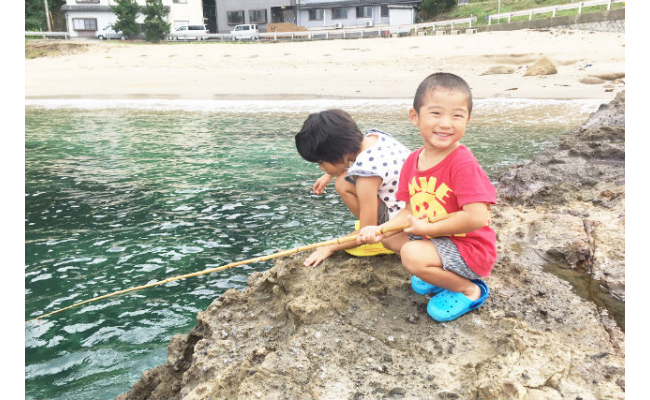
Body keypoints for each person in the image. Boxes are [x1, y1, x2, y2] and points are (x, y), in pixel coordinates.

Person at [357, 72, 496, 322]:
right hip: (439, 239)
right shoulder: (413, 160)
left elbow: (478, 217)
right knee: (390, 238)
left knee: (411, 254)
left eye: (457, 115)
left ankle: (469, 289)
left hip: (470, 249)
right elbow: (409, 210)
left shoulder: (462, 162)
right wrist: (380, 229)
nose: (446, 123)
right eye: (436, 113)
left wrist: (427, 226)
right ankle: (439, 272)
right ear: (415, 117)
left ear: (468, 120)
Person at [295, 109, 410, 267]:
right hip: (422, 206)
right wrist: (330, 173)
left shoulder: (365, 174)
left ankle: (388, 237)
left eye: (321, 162)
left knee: (343, 183)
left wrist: (330, 246)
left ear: (335, 153)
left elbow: (366, 230)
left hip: (405, 221)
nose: (321, 168)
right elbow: (351, 162)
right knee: (344, 177)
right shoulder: (375, 137)